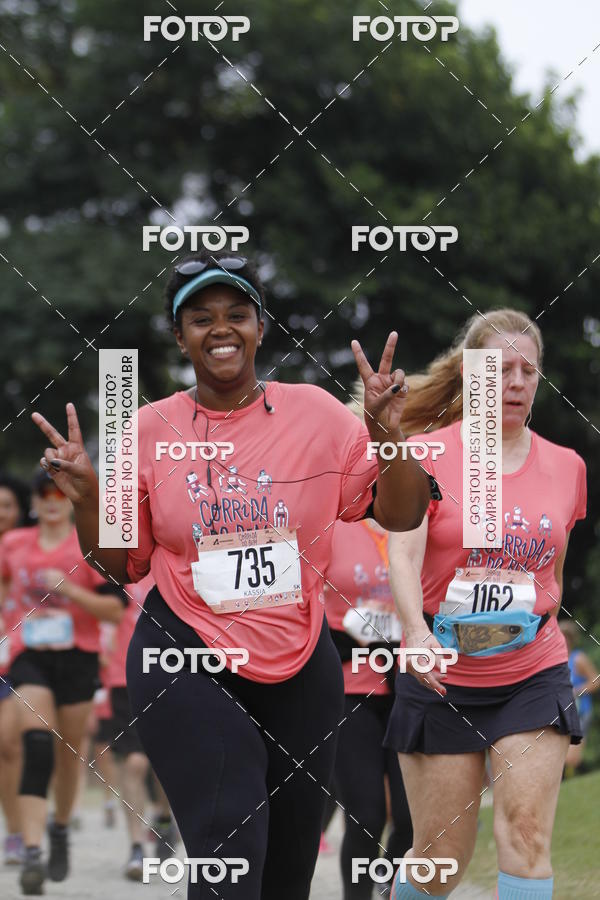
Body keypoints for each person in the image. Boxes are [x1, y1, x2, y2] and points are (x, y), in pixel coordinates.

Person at [31, 249, 433, 900]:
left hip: (303, 660)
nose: (221, 328)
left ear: (260, 327)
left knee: (288, 869)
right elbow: (124, 563)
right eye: (201, 318)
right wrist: (85, 500)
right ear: (179, 335)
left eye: (236, 314)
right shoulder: (148, 429)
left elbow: (402, 510)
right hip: (184, 651)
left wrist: (389, 436)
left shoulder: (320, 415)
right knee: (231, 840)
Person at [385, 309, 586, 900]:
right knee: (441, 861)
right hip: (442, 674)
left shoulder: (568, 467)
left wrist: (533, 621)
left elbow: (554, 570)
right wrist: (416, 632)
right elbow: (402, 555)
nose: (518, 381)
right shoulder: (423, 454)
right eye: (501, 369)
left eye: (530, 370)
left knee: (526, 835)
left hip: (532, 672)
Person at [0, 471, 127, 895]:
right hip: (29, 657)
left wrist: (70, 592)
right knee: (35, 744)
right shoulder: (13, 544)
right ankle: (32, 850)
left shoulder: (87, 546)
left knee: (69, 755)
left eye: (59, 493)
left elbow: (114, 611)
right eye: (44, 493)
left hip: (78, 657)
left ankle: (57, 828)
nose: (52, 500)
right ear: (35, 501)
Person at [324, 382, 412, 899]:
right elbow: (299, 594)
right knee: (364, 812)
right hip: (347, 688)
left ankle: (386, 889)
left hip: (409, 688)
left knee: (411, 818)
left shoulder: (416, 520)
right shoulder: (333, 522)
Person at [99, 571, 177, 879]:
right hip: (124, 678)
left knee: (164, 763)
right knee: (134, 762)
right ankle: (135, 848)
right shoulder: (116, 572)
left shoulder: (171, 569)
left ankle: (165, 819)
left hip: (169, 674)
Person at [0, 473, 30, 865]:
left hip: (21, 655)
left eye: (6, 506)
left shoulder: (31, 548)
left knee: (9, 746)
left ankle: (19, 833)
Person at [560, 620, 598, 774]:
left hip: (581, 711)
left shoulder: (578, 659)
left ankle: (586, 773)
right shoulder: (557, 661)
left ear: (570, 639)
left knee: (571, 759)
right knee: (563, 756)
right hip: (563, 715)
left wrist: (577, 691)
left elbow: (596, 680)